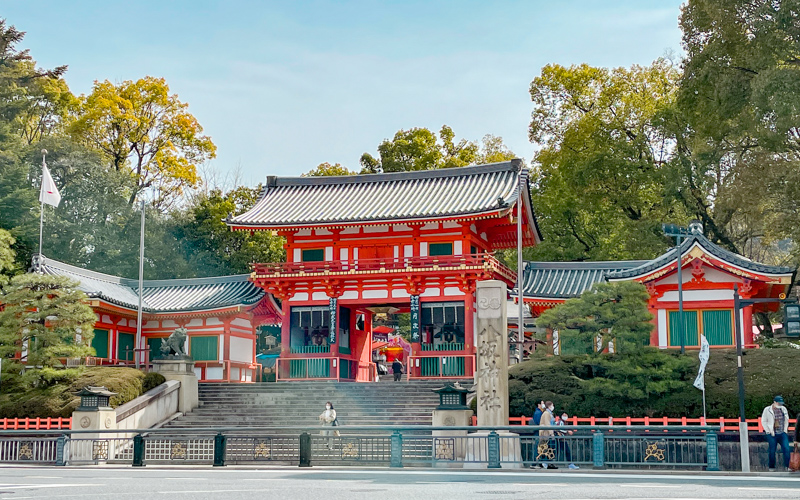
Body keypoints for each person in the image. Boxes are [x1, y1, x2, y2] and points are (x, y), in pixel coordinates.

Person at [761, 395, 791, 470]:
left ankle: (788, 466)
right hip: (772, 433)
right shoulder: (767, 410)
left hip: (782, 432)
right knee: (772, 450)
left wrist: (785, 430)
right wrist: (768, 431)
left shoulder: (783, 409)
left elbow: (786, 419)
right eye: (778, 403)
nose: (780, 405)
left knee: (786, 448)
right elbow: (763, 421)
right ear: (774, 402)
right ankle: (771, 467)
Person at [537, 401, 558, 469]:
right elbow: (547, 424)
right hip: (546, 433)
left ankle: (548, 462)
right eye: (552, 405)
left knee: (549, 448)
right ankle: (544, 462)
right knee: (545, 448)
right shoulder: (546, 413)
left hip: (547, 433)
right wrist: (551, 434)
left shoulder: (549, 413)